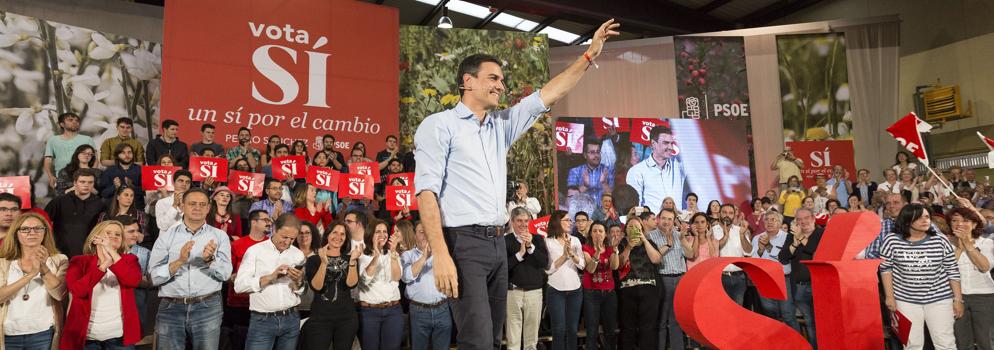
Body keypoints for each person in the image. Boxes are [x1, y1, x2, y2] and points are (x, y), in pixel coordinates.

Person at [412, 20, 619, 350]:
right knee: (476, 341)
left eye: (502, 80)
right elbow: (426, 193)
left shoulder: (501, 125)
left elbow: (550, 93)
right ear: (467, 81)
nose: (500, 85)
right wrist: (441, 253)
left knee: (494, 341)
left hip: (498, 245)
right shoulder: (438, 126)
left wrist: (589, 55)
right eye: (493, 78)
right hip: (463, 245)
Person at [149, 188, 233, 350]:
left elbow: (226, 274)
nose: (197, 208)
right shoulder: (166, 236)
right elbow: (154, 278)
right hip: (171, 308)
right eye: (192, 203)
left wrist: (210, 261)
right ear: (182, 206)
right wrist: (179, 261)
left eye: (202, 204)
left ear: (209, 208)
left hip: (208, 307)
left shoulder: (220, 236)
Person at [880, 204, 961, 350]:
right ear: (906, 221)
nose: (925, 220)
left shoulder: (940, 240)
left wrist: (958, 299)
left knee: (945, 343)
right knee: (912, 344)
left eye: (927, 217)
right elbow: (886, 269)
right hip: (905, 299)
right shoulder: (891, 240)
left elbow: (952, 270)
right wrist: (889, 296)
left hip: (939, 298)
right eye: (919, 217)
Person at [61, 220, 142, 350]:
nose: (114, 236)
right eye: (108, 233)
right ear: (95, 238)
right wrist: (103, 265)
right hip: (87, 338)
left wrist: (111, 252)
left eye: (118, 234)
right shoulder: (79, 261)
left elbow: (132, 280)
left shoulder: (130, 260)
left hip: (119, 337)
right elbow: (78, 291)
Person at [234, 213, 306, 350]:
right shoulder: (255, 251)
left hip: (291, 318)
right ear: (274, 229)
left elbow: (301, 290)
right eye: (284, 237)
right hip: (262, 321)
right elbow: (239, 286)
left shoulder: (298, 254)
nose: (287, 242)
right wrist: (271, 277)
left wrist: (298, 282)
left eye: (292, 238)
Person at [0, 212, 68, 350]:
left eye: (38, 228)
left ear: (45, 232)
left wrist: (43, 268)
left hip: (43, 333)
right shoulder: (3, 262)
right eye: (25, 229)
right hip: (8, 334)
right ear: (16, 234)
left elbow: (60, 295)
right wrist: (31, 274)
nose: (32, 232)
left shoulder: (59, 260)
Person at [301, 220, 361, 350]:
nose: (338, 237)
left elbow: (351, 284)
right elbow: (317, 287)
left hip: (347, 319)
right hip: (320, 319)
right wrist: (323, 262)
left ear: (346, 239)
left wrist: (352, 262)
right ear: (327, 234)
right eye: (335, 232)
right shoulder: (313, 260)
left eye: (342, 234)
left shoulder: (350, 258)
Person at [945, 206, 994, 350]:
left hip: (984, 296)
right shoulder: (945, 243)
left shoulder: (986, 243)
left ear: (974, 224)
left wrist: (967, 244)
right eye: (955, 220)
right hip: (955, 297)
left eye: (966, 220)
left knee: (986, 340)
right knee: (961, 341)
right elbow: (945, 270)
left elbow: (984, 267)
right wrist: (959, 248)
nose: (959, 224)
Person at [401, 222, 453, 350]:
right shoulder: (407, 255)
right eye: (421, 232)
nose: (425, 235)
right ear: (414, 235)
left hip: (442, 309)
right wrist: (425, 256)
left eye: (427, 231)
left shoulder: (442, 254)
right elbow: (406, 276)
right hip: (419, 311)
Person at [504, 207, 548, 350]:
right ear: (512, 222)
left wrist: (530, 247)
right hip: (512, 292)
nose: (523, 224)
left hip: (534, 292)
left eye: (526, 221)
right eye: (519, 221)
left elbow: (544, 262)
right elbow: (503, 268)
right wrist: (520, 254)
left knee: (531, 340)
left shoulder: (538, 239)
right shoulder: (505, 241)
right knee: (513, 340)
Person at [225, 209, 271, 350]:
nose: (269, 223)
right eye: (265, 220)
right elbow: (227, 273)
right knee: (238, 342)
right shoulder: (237, 245)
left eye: (269, 220)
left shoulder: (272, 245)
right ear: (253, 222)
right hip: (239, 303)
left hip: (264, 303)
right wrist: (233, 277)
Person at [647, 208, 692, 350]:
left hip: (680, 278)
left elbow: (690, 254)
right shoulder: (650, 236)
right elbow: (652, 258)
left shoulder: (679, 235)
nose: (667, 222)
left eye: (670, 219)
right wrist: (668, 245)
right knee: (661, 319)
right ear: (658, 219)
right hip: (662, 278)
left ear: (674, 221)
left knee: (676, 320)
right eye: (664, 218)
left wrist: (683, 238)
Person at [616, 215, 663, 350]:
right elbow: (619, 264)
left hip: (648, 289)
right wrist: (629, 247)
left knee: (648, 327)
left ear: (642, 229)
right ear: (626, 230)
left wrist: (644, 240)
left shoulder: (650, 243)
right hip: (627, 289)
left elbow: (656, 260)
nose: (634, 229)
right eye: (631, 226)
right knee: (627, 327)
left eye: (637, 227)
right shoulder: (621, 245)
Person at [778, 208, 822, 349]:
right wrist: (795, 243)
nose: (803, 221)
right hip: (799, 287)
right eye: (799, 219)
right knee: (809, 321)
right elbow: (783, 257)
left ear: (813, 218)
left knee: (823, 321)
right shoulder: (792, 236)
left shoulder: (821, 233)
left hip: (819, 285)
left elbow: (814, 253)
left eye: (806, 218)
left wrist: (801, 238)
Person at [358, 219, 404, 350]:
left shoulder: (393, 254)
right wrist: (376, 256)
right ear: (370, 234)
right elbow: (364, 280)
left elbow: (396, 277)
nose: (382, 234)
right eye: (378, 231)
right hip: (369, 312)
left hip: (393, 311)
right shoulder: (361, 256)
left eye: (384, 231)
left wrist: (393, 252)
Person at [750, 211, 800, 331]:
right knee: (770, 314)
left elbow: (783, 258)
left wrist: (767, 246)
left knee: (788, 315)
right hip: (764, 279)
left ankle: (797, 344)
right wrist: (761, 250)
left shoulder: (787, 237)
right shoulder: (757, 238)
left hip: (783, 280)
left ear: (780, 222)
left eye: (773, 219)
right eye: (767, 220)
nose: (769, 222)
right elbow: (754, 260)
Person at [544, 211, 585, 350]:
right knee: (559, 329)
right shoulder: (548, 241)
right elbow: (548, 269)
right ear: (557, 222)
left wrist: (572, 254)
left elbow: (582, 265)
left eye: (570, 220)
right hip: (555, 290)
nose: (570, 222)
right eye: (567, 220)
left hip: (575, 290)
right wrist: (564, 256)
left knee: (572, 330)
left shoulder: (575, 240)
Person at [626, 124, 690, 209]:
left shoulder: (679, 166)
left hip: (676, 221)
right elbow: (636, 208)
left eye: (671, 143)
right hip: (652, 221)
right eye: (666, 143)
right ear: (653, 144)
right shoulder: (637, 171)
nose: (670, 147)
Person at [45, 169, 105, 258]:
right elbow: (44, 223)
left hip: (88, 253)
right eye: (82, 182)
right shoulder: (59, 201)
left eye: (90, 182)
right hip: (60, 252)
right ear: (75, 183)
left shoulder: (100, 204)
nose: (86, 185)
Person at [582, 221, 618, 350]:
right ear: (590, 234)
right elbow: (590, 269)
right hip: (591, 293)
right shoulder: (586, 248)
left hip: (609, 293)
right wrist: (597, 253)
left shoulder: (610, 248)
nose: (598, 234)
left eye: (600, 231)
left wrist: (614, 251)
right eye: (595, 231)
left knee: (610, 330)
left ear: (605, 234)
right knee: (592, 330)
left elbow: (614, 267)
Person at [44, 112, 96, 190]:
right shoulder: (53, 140)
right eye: (70, 120)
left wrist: (91, 174)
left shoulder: (87, 139)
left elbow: (95, 159)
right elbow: (48, 159)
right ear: (62, 124)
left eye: (77, 120)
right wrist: (50, 176)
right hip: (62, 179)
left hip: (84, 179)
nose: (75, 122)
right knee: (63, 201)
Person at [713, 204, 752, 305]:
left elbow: (748, 252)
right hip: (719, 278)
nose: (727, 215)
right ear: (719, 214)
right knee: (721, 310)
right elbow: (712, 253)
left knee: (737, 312)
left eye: (730, 213)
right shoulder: (712, 231)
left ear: (734, 215)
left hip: (739, 277)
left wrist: (743, 235)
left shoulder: (740, 230)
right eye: (724, 212)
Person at [568, 139, 615, 206]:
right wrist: (585, 186)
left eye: (598, 152)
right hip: (582, 213)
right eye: (592, 152)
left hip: (603, 212)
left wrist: (603, 183)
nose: (596, 155)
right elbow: (570, 199)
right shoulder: (575, 171)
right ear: (585, 155)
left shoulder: (608, 170)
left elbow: (613, 196)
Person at [99, 143, 144, 207]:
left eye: (129, 152)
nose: (127, 155)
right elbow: (104, 194)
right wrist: (114, 186)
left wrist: (132, 186)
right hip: (115, 209)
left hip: (137, 207)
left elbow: (146, 193)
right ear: (117, 155)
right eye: (123, 153)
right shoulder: (109, 171)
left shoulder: (141, 170)